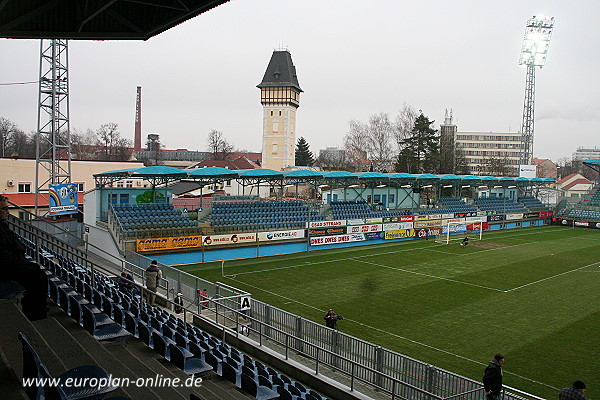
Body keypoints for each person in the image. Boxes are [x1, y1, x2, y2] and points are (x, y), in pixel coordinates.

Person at [0, 196, 49, 321]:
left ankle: (35, 310)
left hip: (12, 265)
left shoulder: (3, 226)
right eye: (4, 209)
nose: (8, 212)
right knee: (38, 277)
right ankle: (35, 315)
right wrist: (21, 261)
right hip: (7, 270)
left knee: (36, 269)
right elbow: (5, 256)